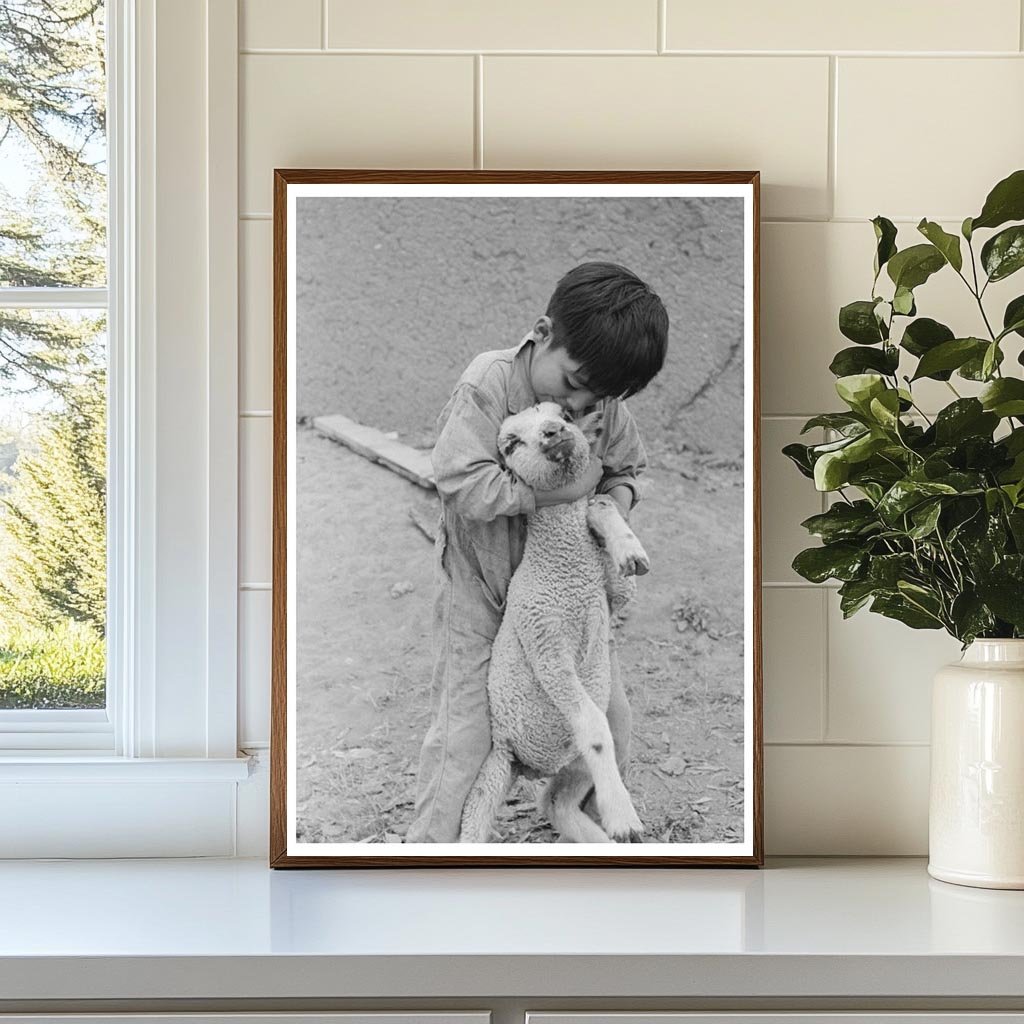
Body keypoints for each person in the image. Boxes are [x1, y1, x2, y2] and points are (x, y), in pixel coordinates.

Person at [405, 261, 669, 843]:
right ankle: (430, 858)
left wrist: (610, 511)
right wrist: (560, 490)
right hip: (483, 587)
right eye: (572, 382)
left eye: (597, 395)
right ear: (542, 333)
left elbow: (628, 471)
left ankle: (593, 826)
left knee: (612, 719)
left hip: (566, 597)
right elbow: (461, 481)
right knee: (465, 733)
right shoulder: (489, 382)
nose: (579, 402)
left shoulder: (603, 402)